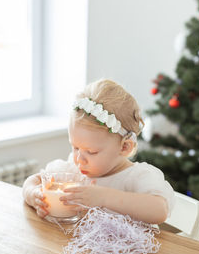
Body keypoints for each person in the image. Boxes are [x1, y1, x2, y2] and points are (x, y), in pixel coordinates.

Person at [23, 79, 175, 224]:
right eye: (75, 147)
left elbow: (160, 210)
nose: (79, 159)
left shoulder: (137, 177)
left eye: (92, 152)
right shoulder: (74, 171)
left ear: (124, 147)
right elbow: (34, 180)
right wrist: (33, 194)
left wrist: (104, 197)